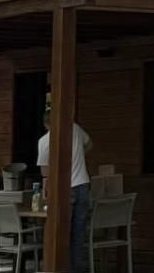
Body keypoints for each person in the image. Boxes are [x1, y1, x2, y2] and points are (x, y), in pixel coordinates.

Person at [38, 108, 93, 273]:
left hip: (64, 188)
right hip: (83, 184)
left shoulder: (44, 141)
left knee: (62, 232)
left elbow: (45, 172)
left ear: (47, 124)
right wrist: (78, 156)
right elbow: (90, 144)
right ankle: (76, 268)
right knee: (79, 232)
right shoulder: (74, 128)